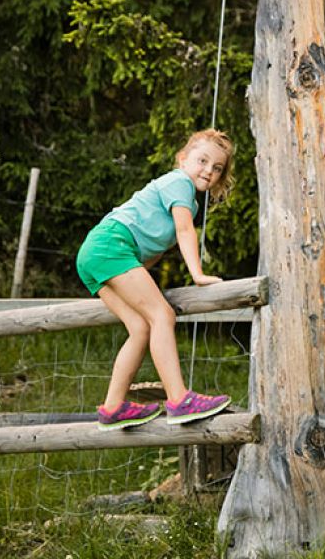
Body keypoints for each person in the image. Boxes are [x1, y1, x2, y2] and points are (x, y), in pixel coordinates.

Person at [76, 129, 235, 431]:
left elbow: (152, 253)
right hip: (110, 245)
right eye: (202, 161)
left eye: (217, 168)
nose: (208, 171)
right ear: (183, 159)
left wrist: (140, 281)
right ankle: (179, 399)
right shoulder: (179, 183)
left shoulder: (185, 195)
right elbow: (184, 231)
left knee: (139, 327)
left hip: (95, 252)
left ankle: (112, 407)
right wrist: (198, 275)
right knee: (162, 314)